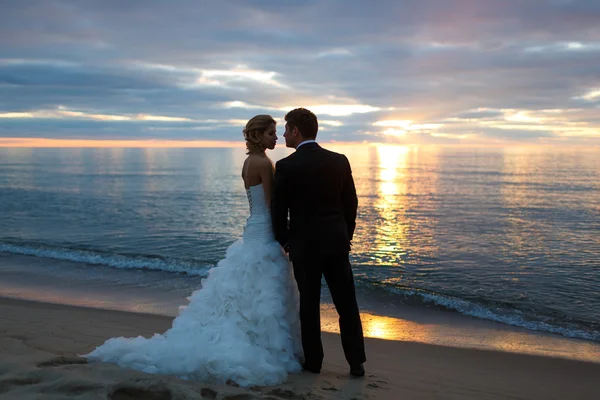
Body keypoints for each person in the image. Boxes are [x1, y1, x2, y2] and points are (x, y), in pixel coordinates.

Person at [84, 115, 302, 387]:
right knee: (264, 288)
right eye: (271, 133)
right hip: (265, 228)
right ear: (258, 136)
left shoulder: (248, 163)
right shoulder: (264, 164)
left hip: (252, 227)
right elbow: (273, 205)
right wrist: (290, 231)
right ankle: (266, 345)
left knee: (248, 287)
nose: (276, 137)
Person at [271, 108, 366, 377]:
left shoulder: (287, 166)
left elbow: (279, 211)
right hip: (336, 242)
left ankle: (314, 363)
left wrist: (285, 241)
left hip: (304, 245)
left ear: (296, 131)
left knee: (309, 306)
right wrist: (346, 234)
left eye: (287, 129)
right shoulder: (339, 161)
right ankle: (356, 363)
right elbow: (351, 203)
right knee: (347, 303)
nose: (284, 134)